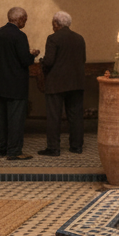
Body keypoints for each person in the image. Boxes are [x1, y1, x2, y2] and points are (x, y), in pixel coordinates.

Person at [0, 6, 38, 161]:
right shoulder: (19, 35)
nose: (25, 22)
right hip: (16, 85)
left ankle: (0, 150)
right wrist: (32, 55)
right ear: (20, 19)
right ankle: (14, 151)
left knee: (1, 119)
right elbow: (24, 60)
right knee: (16, 119)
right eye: (25, 19)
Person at [40, 10, 86, 155]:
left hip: (56, 83)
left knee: (54, 116)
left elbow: (49, 61)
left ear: (56, 23)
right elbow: (83, 59)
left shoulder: (53, 38)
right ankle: (76, 146)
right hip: (76, 82)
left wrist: (41, 62)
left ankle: (54, 148)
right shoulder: (79, 38)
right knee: (76, 116)